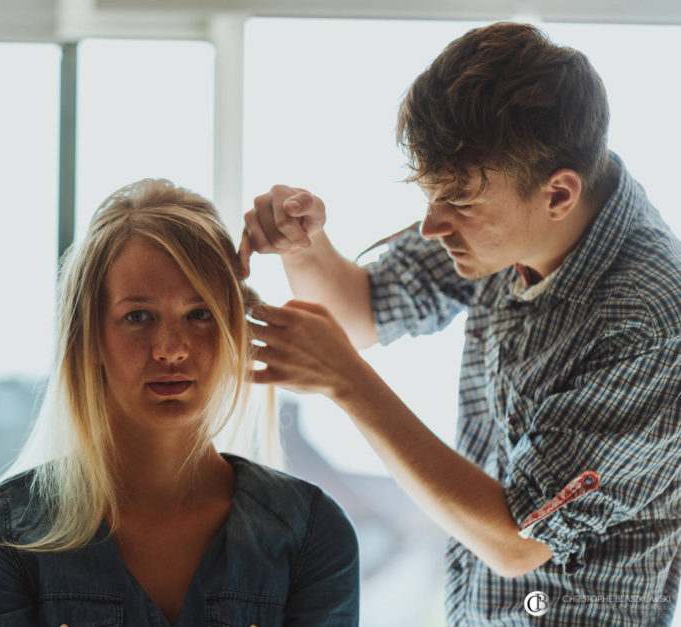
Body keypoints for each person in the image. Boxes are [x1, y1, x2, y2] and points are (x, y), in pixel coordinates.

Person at [239, 22, 681, 626]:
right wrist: (302, 246)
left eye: (459, 204)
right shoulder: (504, 217)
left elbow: (517, 541)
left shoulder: (653, 321)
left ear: (558, 195)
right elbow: (363, 311)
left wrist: (349, 383)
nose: (432, 227)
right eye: (430, 196)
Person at [0, 178, 359, 626]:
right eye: (137, 317)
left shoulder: (313, 536)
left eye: (199, 314)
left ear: (233, 330)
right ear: (91, 338)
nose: (170, 348)